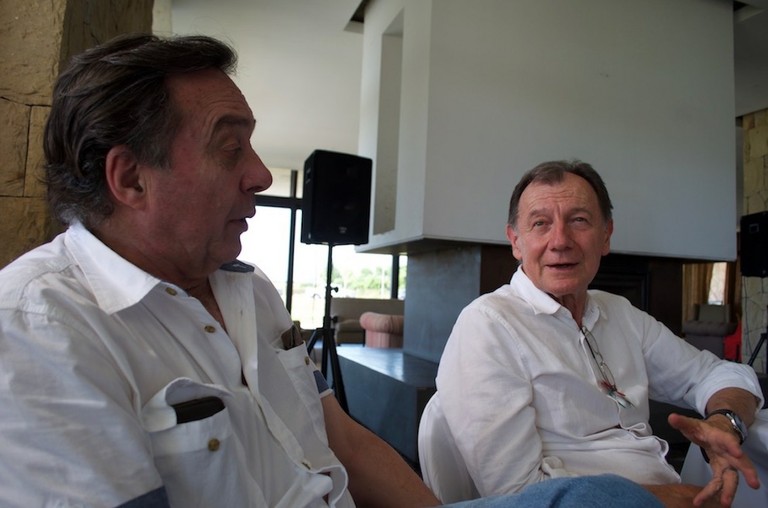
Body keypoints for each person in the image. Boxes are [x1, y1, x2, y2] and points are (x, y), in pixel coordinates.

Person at [0, 34, 668, 508]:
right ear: (130, 179)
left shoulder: (251, 290)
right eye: (230, 148)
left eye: (580, 223)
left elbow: (341, 438)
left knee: (605, 498)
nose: (260, 175)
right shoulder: (40, 328)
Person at [435, 159, 765, 507]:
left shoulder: (619, 313)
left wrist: (725, 423)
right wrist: (675, 499)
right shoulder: (488, 325)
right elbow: (517, 494)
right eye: (540, 223)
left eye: (579, 220)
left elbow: (717, 374)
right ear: (516, 241)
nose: (560, 241)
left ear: (606, 235)